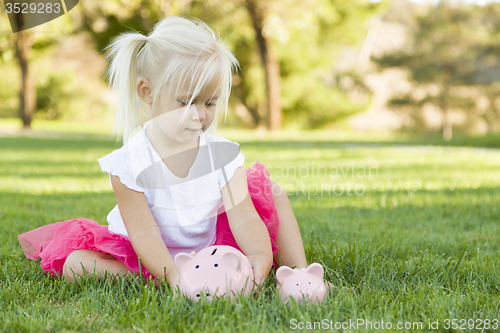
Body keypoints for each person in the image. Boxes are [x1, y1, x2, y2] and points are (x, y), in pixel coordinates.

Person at [18, 16, 314, 292]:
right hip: (146, 252)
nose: (199, 115)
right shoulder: (129, 163)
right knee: (76, 265)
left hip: (209, 245)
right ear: (147, 92)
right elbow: (144, 233)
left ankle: (298, 274)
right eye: (186, 102)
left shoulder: (222, 155)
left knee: (271, 193)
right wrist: (173, 275)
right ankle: (170, 279)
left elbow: (244, 218)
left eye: (209, 103)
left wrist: (258, 255)